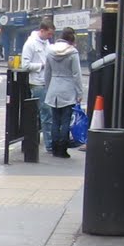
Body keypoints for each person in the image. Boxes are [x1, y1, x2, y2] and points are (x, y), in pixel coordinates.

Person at [43, 27, 85, 158]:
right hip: (67, 88)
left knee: (55, 120)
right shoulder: (72, 52)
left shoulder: (50, 50)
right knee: (66, 120)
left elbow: (47, 72)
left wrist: (49, 87)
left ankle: (54, 148)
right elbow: (76, 74)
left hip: (54, 88)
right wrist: (79, 93)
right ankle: (62, 149)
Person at [19, 18, 55, 145]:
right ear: (42, 30)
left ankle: (39, 140)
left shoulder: (47, 44)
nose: (50, 36)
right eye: (49, 33)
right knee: (46, 113)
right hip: (37, 83)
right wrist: (41, 65)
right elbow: (25, 65)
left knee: (45, 114)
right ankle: (49, 144)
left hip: (47, 82)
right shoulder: (30, 44)